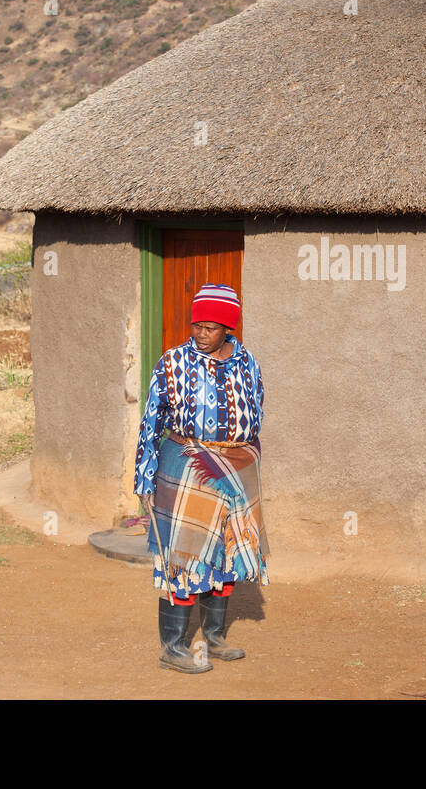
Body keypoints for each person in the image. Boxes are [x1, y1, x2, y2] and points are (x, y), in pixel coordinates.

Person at [134, 283, 268, 674]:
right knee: (183, 557)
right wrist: (144, 477)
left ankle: (214, 637)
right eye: (197, 325)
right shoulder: (173, 363)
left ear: (228, 328)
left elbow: (257, 410)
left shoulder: (249, 363)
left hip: (237, 471)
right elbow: (150, 423)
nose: (200, 333)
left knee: (225, 554)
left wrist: (239, 454)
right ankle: (172, 647)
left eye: (210, 327)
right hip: (186, 466)